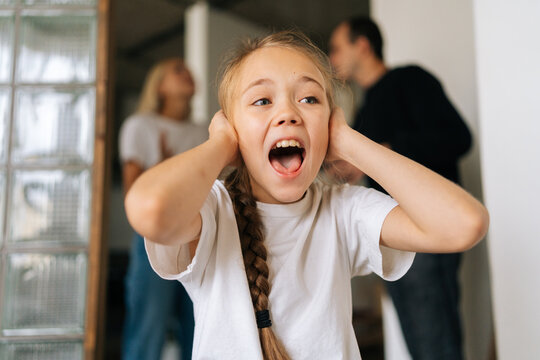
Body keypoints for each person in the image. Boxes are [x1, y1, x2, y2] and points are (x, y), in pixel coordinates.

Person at [124, 31, 488, 360]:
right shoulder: (215, 212)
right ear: (233, 128)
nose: (288, 113)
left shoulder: (344, 211)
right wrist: (221, 144)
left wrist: (348, 142)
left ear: (330, 123)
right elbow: (150, 210)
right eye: (262, 101)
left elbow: (464, 224)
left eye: (310, 98)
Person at [329, 17, 473, 359]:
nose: (331, 58)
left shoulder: (410, 80)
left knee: (435, 343)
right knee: (418, 343)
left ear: (362, 44)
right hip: (392, 237)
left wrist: (386, 152)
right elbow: (371, 171)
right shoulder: (363, 112)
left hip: (429, 230)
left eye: (336, 48)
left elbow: (458, 137)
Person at [119, 58, 207, 360]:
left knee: (199, 330)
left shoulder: (203, 133)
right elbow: (132, 195)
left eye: (188, 68)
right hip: (152, 241)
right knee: (148, 330)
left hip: (198, 241)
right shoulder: (139, 126)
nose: (187, 72)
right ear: (159, 86)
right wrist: (164, 171)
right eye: (176, 70)